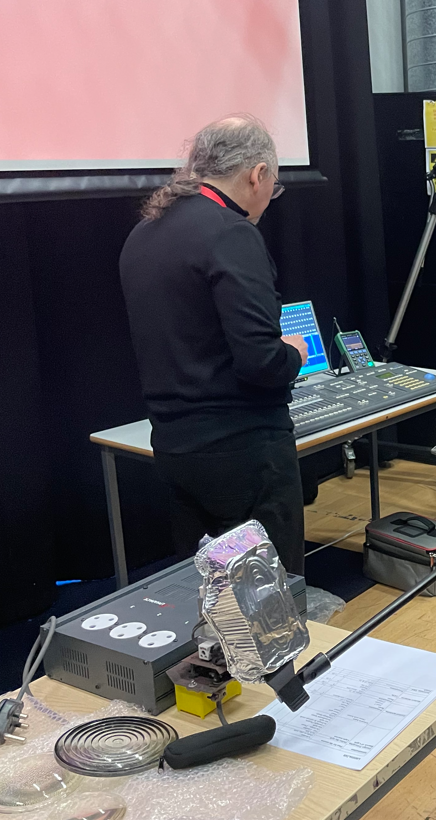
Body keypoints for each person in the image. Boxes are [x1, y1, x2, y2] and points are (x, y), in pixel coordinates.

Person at [119, 114, 309, 574]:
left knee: (208, 597)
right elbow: (262, 362)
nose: (270, 197)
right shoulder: (231, 233)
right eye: (274, 185)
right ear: (258, 174)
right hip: (243, 452)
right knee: (271, 608)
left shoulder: (142, 235)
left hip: (174, 448)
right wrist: (295, 352)